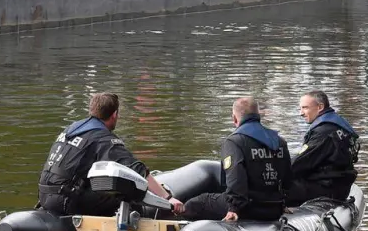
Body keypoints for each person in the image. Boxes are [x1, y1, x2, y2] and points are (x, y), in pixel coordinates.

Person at [37, 93, 179, 217]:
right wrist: (167, 197)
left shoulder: (71, 129)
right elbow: (137, 169)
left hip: (44, 195)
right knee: (128, 198)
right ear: (115, 114)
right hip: (66, 201)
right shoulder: (103, 139)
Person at [177, 97, 291, 222]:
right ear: (258, 115)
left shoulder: (234, 142)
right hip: (275, 207)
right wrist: (284, 203)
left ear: (234, 118)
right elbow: (288, 177)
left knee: (196, 204)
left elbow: (236, 177)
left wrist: (233, 208)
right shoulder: (280, 141)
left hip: (248, 207)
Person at [286, 89, 360, 206]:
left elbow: (299, 164)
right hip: (338, 185)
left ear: (320, 107)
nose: (301, 113)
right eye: (300, 108)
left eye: (305, 108)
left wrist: (276, 172)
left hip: (326, 189)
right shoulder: (338, 125)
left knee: (275, 189)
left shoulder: (324, 132)